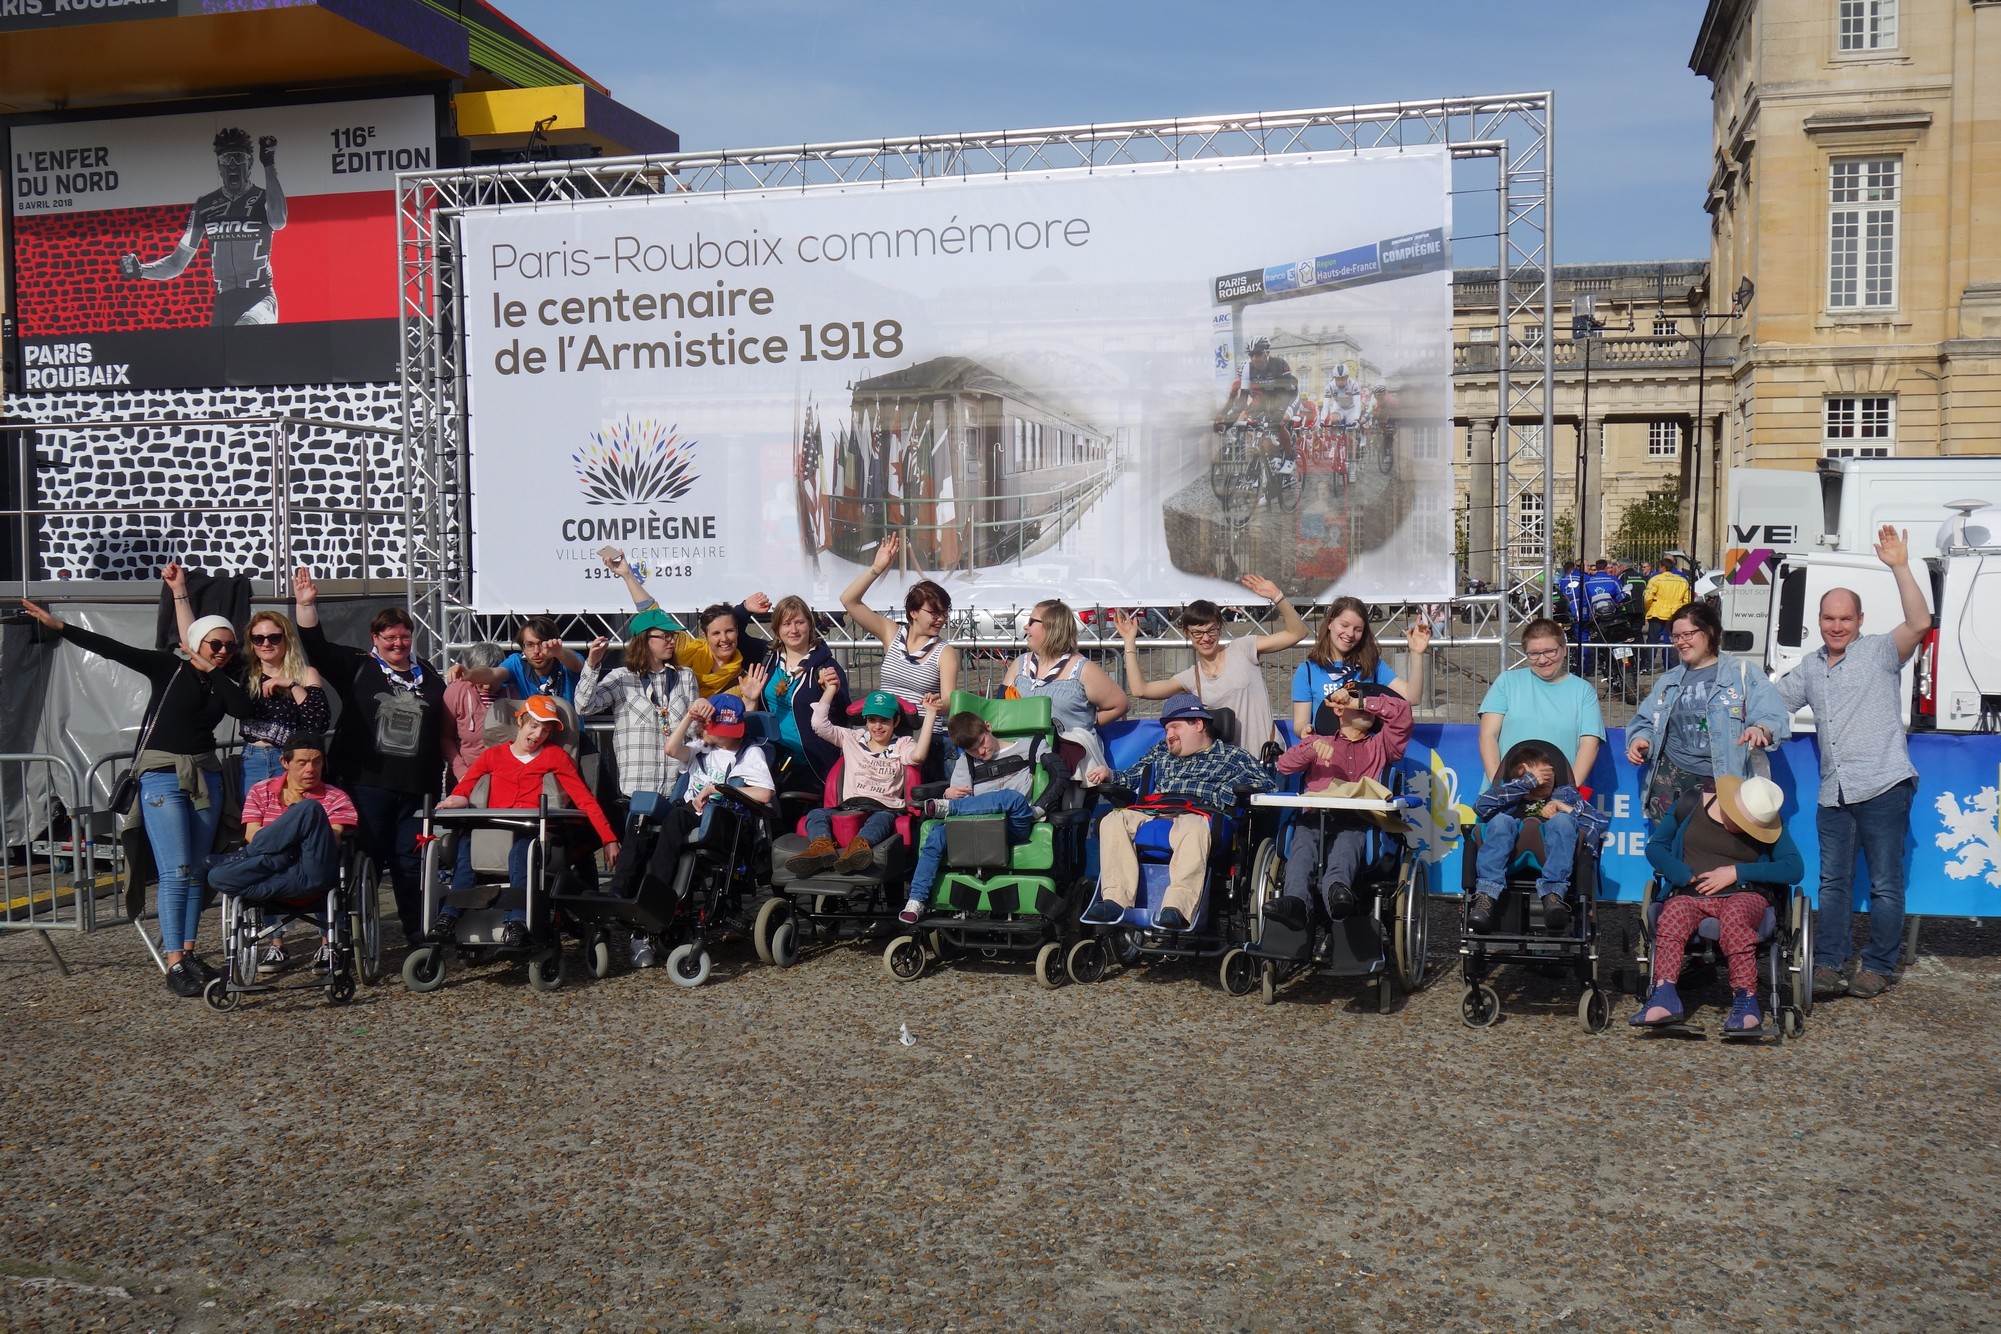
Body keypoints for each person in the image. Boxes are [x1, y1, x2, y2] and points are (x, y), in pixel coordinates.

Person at [20, 591, 247, 995]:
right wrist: (61, 628)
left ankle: (191, 951)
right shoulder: (166, 667)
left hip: (204, 776)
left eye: (229, 645)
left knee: (197, 870)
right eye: (216, 644)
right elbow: (111, 648)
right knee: (176, 870)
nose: (224, 651)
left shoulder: (222, 680)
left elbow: (242, 709)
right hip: (162, 777)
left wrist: (210, 667)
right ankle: (174, 961)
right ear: (195, 643)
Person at [1775, 525, 1929, 1001]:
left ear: (1860, 619)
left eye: (1844, 618)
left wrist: (1900, 566)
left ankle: (1880, 965)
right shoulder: (1810, 665)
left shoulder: (1882, 652)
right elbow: (1772, 700)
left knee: (1884, 883)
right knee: (1833, 882)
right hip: (1834, 792)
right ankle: (1830, 962)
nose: (1836, 626)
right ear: (1818, 621)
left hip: (1884, 785)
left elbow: (1920, 623)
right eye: (1828, 618)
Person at [291, 567, 449, 944]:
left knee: (412, 864)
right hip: (367, 785)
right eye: (391, 637)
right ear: (375, 638)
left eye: (405, 636)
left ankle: (418, 935)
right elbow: (316, 646)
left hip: (416, 788)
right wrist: (306, 605)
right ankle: (351, 934)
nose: (399, 643)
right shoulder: (359, 665)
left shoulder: (426, 672)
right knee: (369, 861)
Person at [435, 695, 620, 947]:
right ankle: (448, 917)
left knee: (523, 850)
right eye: (534, 725)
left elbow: (585, 800)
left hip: (531, 829)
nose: (539, 734)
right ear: (520, 721)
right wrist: (454, 799)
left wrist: (609, 839)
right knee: (468, 843)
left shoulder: (555, 756)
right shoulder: (493, 755)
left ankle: (517, 921)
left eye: (545, 729)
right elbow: (465, 787)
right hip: (492, 828)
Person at [1081, 693, 1274, 931]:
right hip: (1156, 810)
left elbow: (1267, 784)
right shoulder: (1161, 751)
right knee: (1113, 819)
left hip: (1199, 813)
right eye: (1165, 729)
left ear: (1198, 724)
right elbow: (1132, 775)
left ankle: (1177, 908)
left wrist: (1223, 793)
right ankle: (1114, 901)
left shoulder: (1231, 756)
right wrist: (1110, 774)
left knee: (1194, 827)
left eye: (1175, 727)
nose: (1168, 735)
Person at [1631, 775, 1804, 1035]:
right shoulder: (1689, 804)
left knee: (1735, 916)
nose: (1748, 829)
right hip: (1691, 892)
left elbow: (1794, 868)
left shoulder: (1770, 823)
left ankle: (1746, 1002)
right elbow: (1656, 848)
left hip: (1744, 895)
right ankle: (1664, 996)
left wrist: (1737, 872)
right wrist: (1678, 872)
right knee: (1673, 913)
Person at [617, 692, 774, 964]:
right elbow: (670, 749)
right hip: (686, 810)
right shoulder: (701, 747)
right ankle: (620, 894)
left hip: (718, 817)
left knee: (677, 817)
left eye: (726, 731)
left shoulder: (750, 752)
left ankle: (656, 895)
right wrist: (690, 714)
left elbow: (765, 794)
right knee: (640, 817)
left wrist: (716, 788)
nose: (721, 735)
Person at [898, 709, 1072, 924]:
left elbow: (1060, 775)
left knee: (1012, 798)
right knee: (937, 835)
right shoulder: (966, 762)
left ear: (988, 727)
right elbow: (963, 798)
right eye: (972, 750)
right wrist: (949, 794)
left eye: (982, 742)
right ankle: (916, 900)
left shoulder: (1031, 745)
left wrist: (1038, 810)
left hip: (1013, 824)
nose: (980, 751)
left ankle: (947, 807)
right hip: (977, 828)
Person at [164, 569, 330, 792]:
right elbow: (195, 640)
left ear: (286, 640)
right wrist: (179, 590)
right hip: (253, 760)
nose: (266, 643)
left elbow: (317, 724)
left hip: (292, 762)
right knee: (254, 824)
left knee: (291, 822)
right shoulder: (246, 670)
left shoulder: (305, 674)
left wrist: (291, 685)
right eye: (258, 638)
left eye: (274, 637)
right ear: (251, 643)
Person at [1625, 602, 1791, 822]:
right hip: (1668, 783)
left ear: (1710, 632)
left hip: (1721, 782)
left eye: (1687, 634)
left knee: (1714, 851)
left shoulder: (1743, 673)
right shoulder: (1668, 680)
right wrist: (1640, 739)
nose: (1680, 642)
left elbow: (1773, 716)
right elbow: (1645, 720)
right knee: (1670, 852)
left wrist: (1760, 729)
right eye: (1675, 637)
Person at [1263, 685, 1413, 929]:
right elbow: (1284, 766)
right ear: (1338, 711)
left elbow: (1403, 712)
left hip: (1357, 819)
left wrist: (1359, 703)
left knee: (1348, 839)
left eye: (1365, 704)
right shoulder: (1318, 741)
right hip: (1315, 817)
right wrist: (1310, 747)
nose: (1362, 707)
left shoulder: (1381, 746)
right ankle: (1296, 903)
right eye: (1354, 702)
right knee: (1302, 841)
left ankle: (1337, 891)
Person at [1118, 577, 1308, 757]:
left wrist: (1277, 597)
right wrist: (1129, 642)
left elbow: (1298, 632)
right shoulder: (1192, 677)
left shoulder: (1243, 648)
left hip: (1268, 756)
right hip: (1232, 767)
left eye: (1211, 630)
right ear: (1187, 634)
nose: (1206, 638)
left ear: (1219, 627)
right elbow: (1140, 690)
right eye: (1198, 633)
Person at [118, 127, 286, 326]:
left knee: (245, 327)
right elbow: (176, 264)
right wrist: (141, 271)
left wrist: (268, 164)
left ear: (249, 164)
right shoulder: (205, 205)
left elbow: (279, 221)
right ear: (219, 167)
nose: (232, 165)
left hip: (260, 298)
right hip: (224, 303)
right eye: (226, 160)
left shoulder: (263, 198)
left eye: (239, 158)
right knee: (220, 356)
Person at [223, 736, 358, 976]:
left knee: (309, 812)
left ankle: (328, 944)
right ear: (285, 762)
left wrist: (292, 826)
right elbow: (251, 834)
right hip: (274, 870)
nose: (311, 769)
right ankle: (276, 945)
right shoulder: (261, 791)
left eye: (317, 762)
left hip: (313, 868)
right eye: (303, 762)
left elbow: (334, 838)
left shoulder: (335, 796)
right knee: (225, 873)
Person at [788, 674, 938, 877]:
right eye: (872, 720)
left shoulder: (903, 744)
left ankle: (858, 850)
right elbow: (818, 724)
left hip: (883, 808)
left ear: (896, 721)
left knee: (881, 818)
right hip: (849, 806)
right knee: (816, 814)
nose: (877, 726)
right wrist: (830, 690)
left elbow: (918, 756)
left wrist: (930, 715)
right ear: (865, 721)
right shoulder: (852, 738)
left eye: (884, 720)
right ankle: (821, 848)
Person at [839, 532, 958, 771]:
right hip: (886, 737)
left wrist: (935, 703)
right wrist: (876, 567)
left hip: (923, 740)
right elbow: (849, 600)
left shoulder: (945, 652)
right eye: (934, 612)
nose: (941, 618)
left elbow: (950, 701)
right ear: (914, 612)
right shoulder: (891, 633)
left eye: (944, 613)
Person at [596, 546, 772, 697]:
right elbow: (652, 612)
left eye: (729, 631)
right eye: (716, 633)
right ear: (705, 635)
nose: (724, 639)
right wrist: (627, 575)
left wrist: (750, 700)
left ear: (738, 632)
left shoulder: (745, 680)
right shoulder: (688, 649)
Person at [1467, 743, 1603, 934]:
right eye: (1542, 774)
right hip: (1510, 857)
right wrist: (1526, 783)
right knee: (1500, 821)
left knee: (1563, 822)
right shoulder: (1507, 795)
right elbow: (1480, 807)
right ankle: (1486, 899)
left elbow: (1598, 822)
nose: (1548, 779)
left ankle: (1553, 897)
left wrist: (1563, 808)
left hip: (1551, 856)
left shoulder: (1565, 794)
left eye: (1550, 773)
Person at [575, 613, 699, 808]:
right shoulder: (621, 677)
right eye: (665, 636)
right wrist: (591, 665)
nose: (671, 641)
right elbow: (583, 707)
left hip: (679, 788)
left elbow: (694, 731)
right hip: (638, 791)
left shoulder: (685, 676)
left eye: (672, 636)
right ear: (644, 640)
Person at [1002, 598, 1127, 780]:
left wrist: (1086, 722)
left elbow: (1120, 704)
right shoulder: (1019, 665)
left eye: (1031, 622)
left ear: (1052, 627)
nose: (1025, 628)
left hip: (1070, 766)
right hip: (1023, 763)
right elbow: (1000, 708)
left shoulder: (1083, 670)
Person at [737, 595, 849, 795]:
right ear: (777, 629)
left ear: (810, 624)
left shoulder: (826, 666)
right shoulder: (767, 656)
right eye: (786, 623)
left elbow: (842, 717)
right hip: (768, 759)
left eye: (799, 622)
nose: (794, 630)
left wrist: (834, 692)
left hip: (812, 764)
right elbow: (732, 634)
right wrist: (745, 609)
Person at [1477, 617, 1605, 791]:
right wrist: (1499, 786)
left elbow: (1590, 744)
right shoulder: (1506, 682)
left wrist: (1568, 790)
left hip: (1558, 794)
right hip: (1506, 790)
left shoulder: (1584, 691)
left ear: (1564, 649)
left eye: (1550, 651)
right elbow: (1488, 736)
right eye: (1534, 654)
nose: (1543, 660)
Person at [1288, 596, 1431, 736]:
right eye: (1344, 625)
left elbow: (1412, 698)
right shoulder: (1307, 671)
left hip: (1365, 752)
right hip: (1326, 752)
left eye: (1358, 629)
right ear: (1330, 623)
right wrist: (1305, 731)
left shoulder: (1371, 665)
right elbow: (1300, 723)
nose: (1350, 633)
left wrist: (1416, 654)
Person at [458, 617, 584, 707]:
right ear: (522, 647)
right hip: (533, 737)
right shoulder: (517, 663)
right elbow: (491, 674)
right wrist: (470, 674)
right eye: (529, 645)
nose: (536, 651)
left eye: (542, 644)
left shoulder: (565, 660)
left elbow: (577, 665)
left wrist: (559, 652)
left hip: (567, 736)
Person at [443, 643, 511, 784]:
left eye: (492, 680)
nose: (487, 685)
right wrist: (460, 770)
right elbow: (445, 737)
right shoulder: (456, 691)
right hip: (464, 776)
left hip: (504, 777)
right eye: (481, 680)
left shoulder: (513, 692)